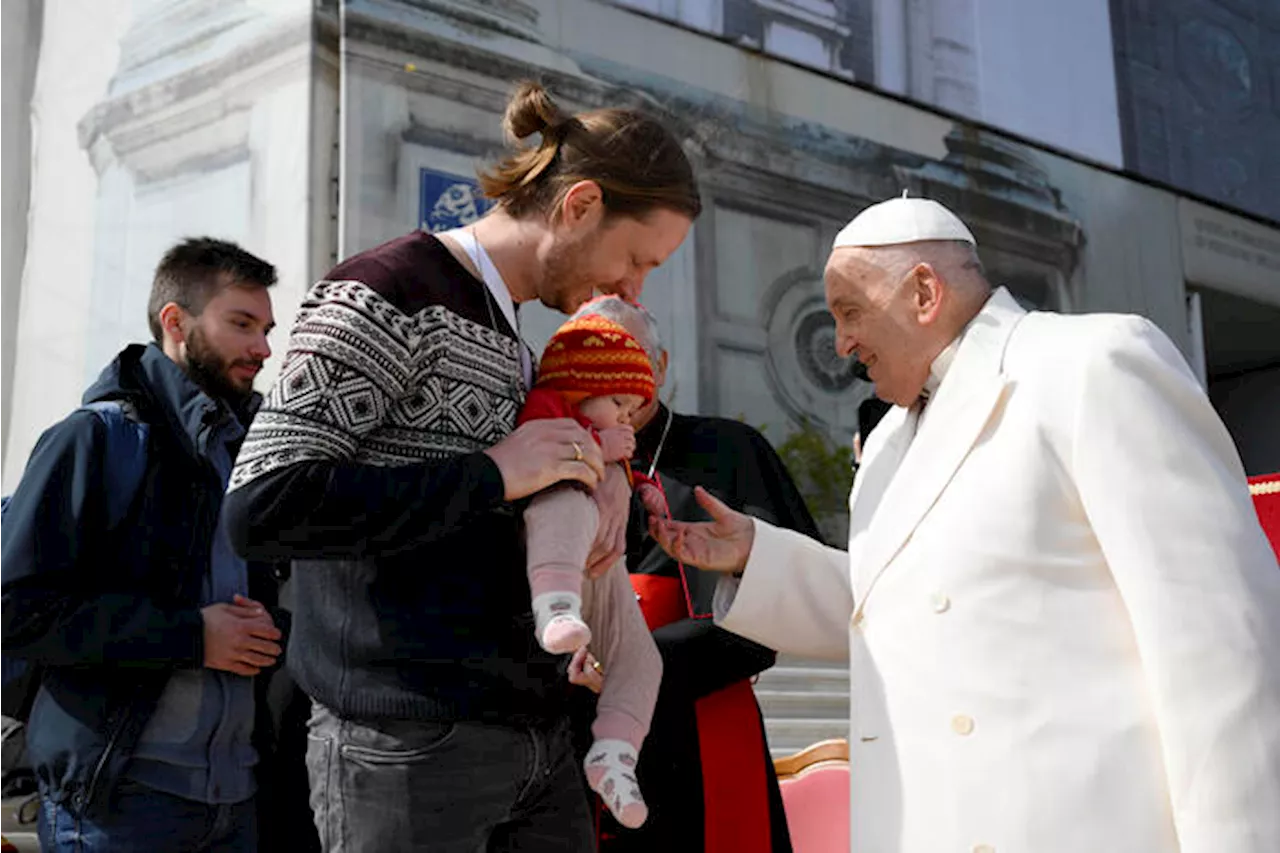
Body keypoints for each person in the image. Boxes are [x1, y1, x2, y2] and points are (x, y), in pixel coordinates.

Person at [649, 195, 1280, 853]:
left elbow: (1219, 641)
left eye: (850, 311)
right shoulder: (889, 439)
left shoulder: (1091, 363)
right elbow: (897, 604)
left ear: (924, 291)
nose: (840, 343)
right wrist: (755, 554)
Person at [223, 79, 700, 852]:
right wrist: (494, 473)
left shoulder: (519, 335)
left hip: (534, 737)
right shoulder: (385, 290)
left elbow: (476, 514)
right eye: (635, 259)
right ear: (579, 205)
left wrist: (591, 494)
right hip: (403, 748)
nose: (632, 289)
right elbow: (264, 505)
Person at [0, 238, 284, 852]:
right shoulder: (94, 440)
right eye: (241, 324)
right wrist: (191, 635)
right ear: (175, 323)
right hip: (120, 807)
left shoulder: (252, 453)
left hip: (237, 803)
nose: (262, 348)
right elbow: (13, 610)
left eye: (265, 328)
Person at [568, 295, 813, 853]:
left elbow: (779, 602)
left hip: (695, 721)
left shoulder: (728, 451)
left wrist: (634, 663)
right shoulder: (551, 458)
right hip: (569, 728)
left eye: (625, 358)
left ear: (660, 365)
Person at [517, 313, 665, 828]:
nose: (627, 418)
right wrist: (599, 451)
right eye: (619, 403)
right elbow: (540, 450)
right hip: (558, 552)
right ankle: (553, 608)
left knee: (644, 660)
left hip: (606, 572)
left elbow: (629, 475)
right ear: (584, 386)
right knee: (569, 504)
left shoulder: (610, 437)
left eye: (631, 408)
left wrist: (642, 488)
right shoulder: (550, 408)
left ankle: (616, 756)